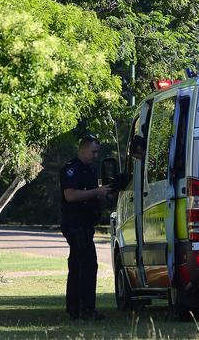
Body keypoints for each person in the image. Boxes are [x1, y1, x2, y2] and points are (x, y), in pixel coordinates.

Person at [60, 134, 111, 321]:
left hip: (86, 223)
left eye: (97, 152)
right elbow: (71, 196)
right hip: (75, 224)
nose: (95, 155)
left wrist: (103, 195)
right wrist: (96, 191)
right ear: (82, 149)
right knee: (87, 265)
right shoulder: (71, 169)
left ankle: (75, 310)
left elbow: (91, 195)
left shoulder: (90, 170)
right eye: (93, 151)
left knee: (77, 265)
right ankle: (86, 309)